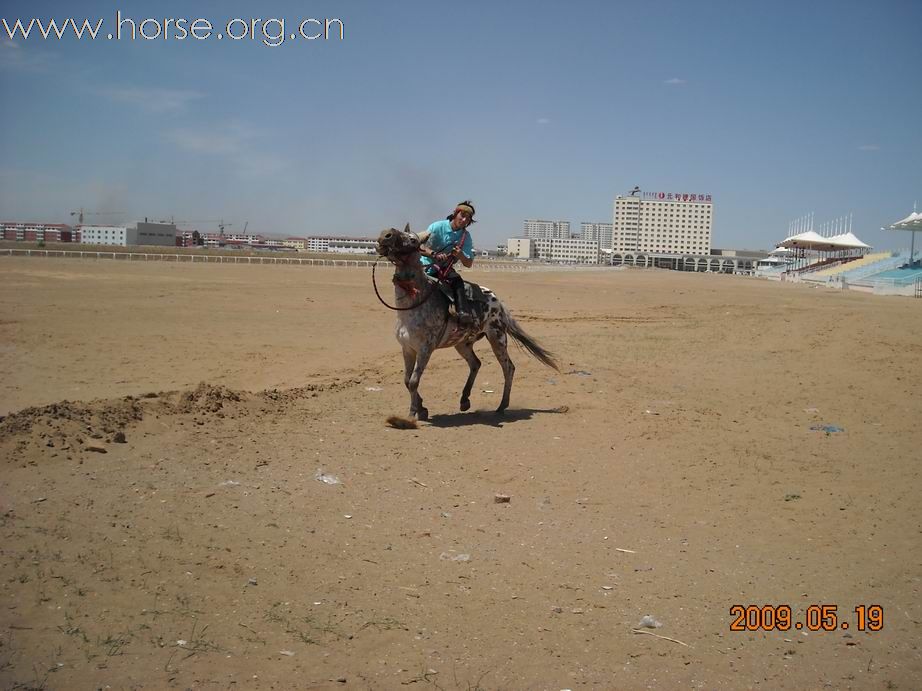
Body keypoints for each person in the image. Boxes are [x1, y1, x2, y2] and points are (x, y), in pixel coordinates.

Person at [419, 201, 476, 325]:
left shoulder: (465, 237)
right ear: (455, 214)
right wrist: (434, 254)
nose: (464, 219)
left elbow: (468, 263)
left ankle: (463, 313)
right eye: (462, 215)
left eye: (468, 218)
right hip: (424, 266)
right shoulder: (436, 227)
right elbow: (420, 246)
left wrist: (460, 255)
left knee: (457, 281)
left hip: (445, 269)